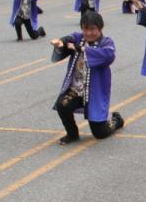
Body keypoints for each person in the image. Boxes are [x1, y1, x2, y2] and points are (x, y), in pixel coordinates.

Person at [49, 12, 124, 144]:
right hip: (76, 90)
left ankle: (116, 120)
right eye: (85, 29)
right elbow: (70, 38)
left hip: (94, 93)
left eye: (92, 29)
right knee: (62, 105)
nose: (88, 33)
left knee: (100, 133)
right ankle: (72, 134)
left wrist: (80, 49)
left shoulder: (106, 43)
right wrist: (61, 42)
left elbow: (108, 56)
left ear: (100, 28)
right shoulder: (79, 38)